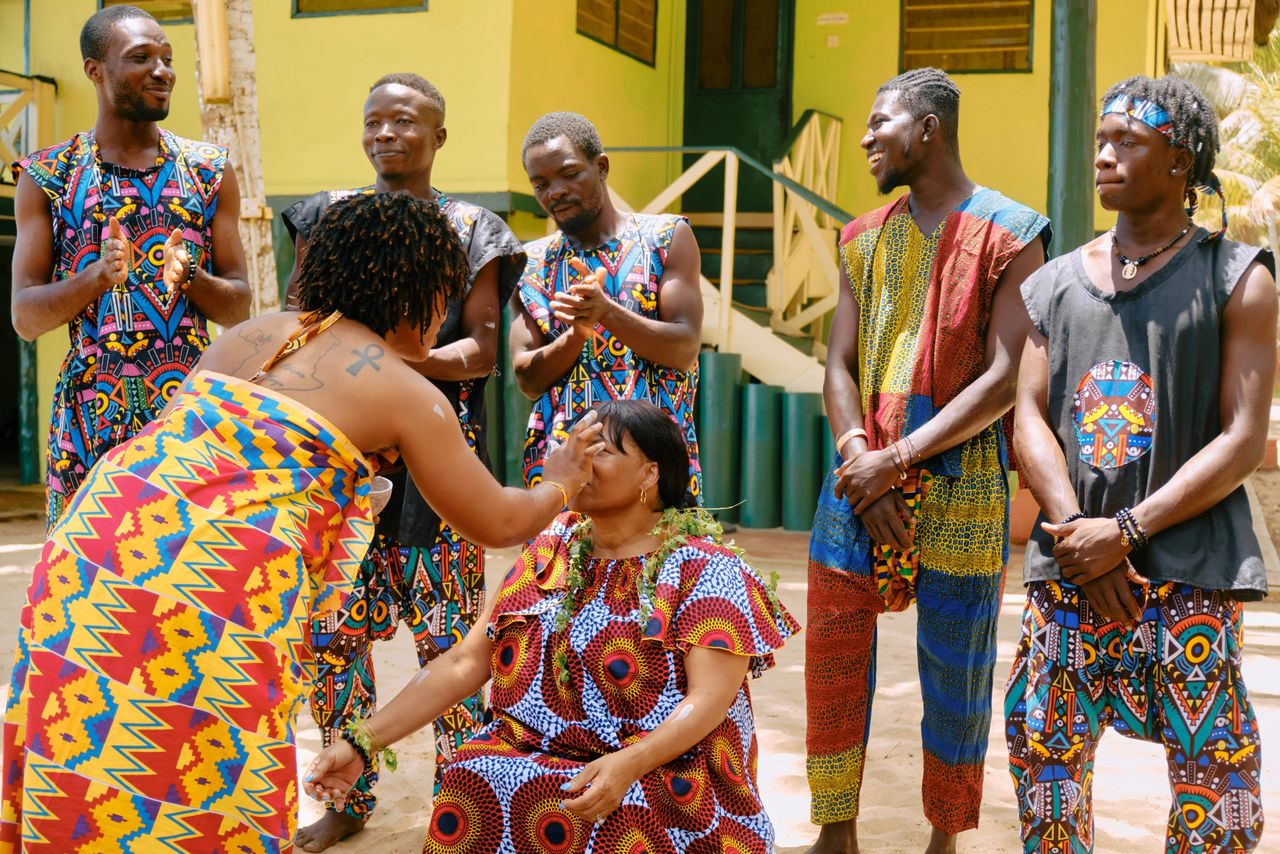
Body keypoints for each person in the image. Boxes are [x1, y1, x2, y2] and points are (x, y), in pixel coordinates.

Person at [0, 193, 603, 852]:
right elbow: (496, 519)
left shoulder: (250, 334)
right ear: (418, 293)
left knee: (86, 749)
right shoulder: (408, 393)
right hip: (208, 588)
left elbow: (225, 463)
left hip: (92, 552)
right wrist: (562, 480)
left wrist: (335, 501)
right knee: (199, 782)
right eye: (444, 294)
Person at [304, 399, 799, 852]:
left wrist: (627, 764)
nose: (576, 463)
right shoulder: (552, 545)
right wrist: (361, 743)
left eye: (598, 450)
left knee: (622, 814)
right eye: (572, 447)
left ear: (650, 475)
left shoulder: (704, 567)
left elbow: (709, 700)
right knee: (470, 773)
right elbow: (464, 661)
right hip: (544, 756)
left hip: (661, 766)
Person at [1007, 75, 1272, 853]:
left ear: (1181, 160)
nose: (1105, 156)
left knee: (1213, 775)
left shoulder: (1239, 275)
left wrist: (1123, 531)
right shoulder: (1053, 284)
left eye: (1129, 142)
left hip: (1189, 571)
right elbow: (1028, 416)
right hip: (1069, 571)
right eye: (1100, 140)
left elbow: (1243, 437)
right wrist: (1076, 537)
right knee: (1044, 760)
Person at [805, 68, 1050, 854]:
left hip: (963, 480)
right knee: (834, 658)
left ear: (929, 129)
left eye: (882, 122)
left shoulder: (1014, 230)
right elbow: (838, 365)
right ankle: (835, 830)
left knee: (957, 668)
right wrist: (859, 460)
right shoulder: (861, 236)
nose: (869, 137)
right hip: (857, 478)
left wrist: (898, 459)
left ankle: (945, 836)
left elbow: (1009, 375)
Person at [280, 72, 526, 851]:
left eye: (405, 121)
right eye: (374, 121)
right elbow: (299, 325)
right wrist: (366, 376)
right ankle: (349, 796)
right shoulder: (328, 217)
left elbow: (483, 350)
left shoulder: (473, 227)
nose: (386, 134)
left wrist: (384, 370)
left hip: (435, 465)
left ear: (439, 137)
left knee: (449, 643)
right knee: (336, 642)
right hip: (341, 467)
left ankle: (463, 801)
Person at [10, 4, 250, 528]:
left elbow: (238, 305)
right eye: (141, 58)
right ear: (95, 70)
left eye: (167, 58)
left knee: (192, 585)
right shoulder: (48, 175)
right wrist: (95, 277)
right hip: (88, 421)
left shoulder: (208, 170)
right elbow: (25, 318)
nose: (162, 70)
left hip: (188, 418)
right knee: (87, 590)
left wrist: (192, 278)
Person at [512, 111, 704, 501]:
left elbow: (683, 348)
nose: (555, 192)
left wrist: (607, 313)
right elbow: (527, 380)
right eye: (540, 184)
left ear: (601, 167)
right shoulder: (530, 263)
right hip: (565, 474)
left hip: (651, 472)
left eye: (569, 174)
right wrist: (577, 334)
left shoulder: (665, 238)